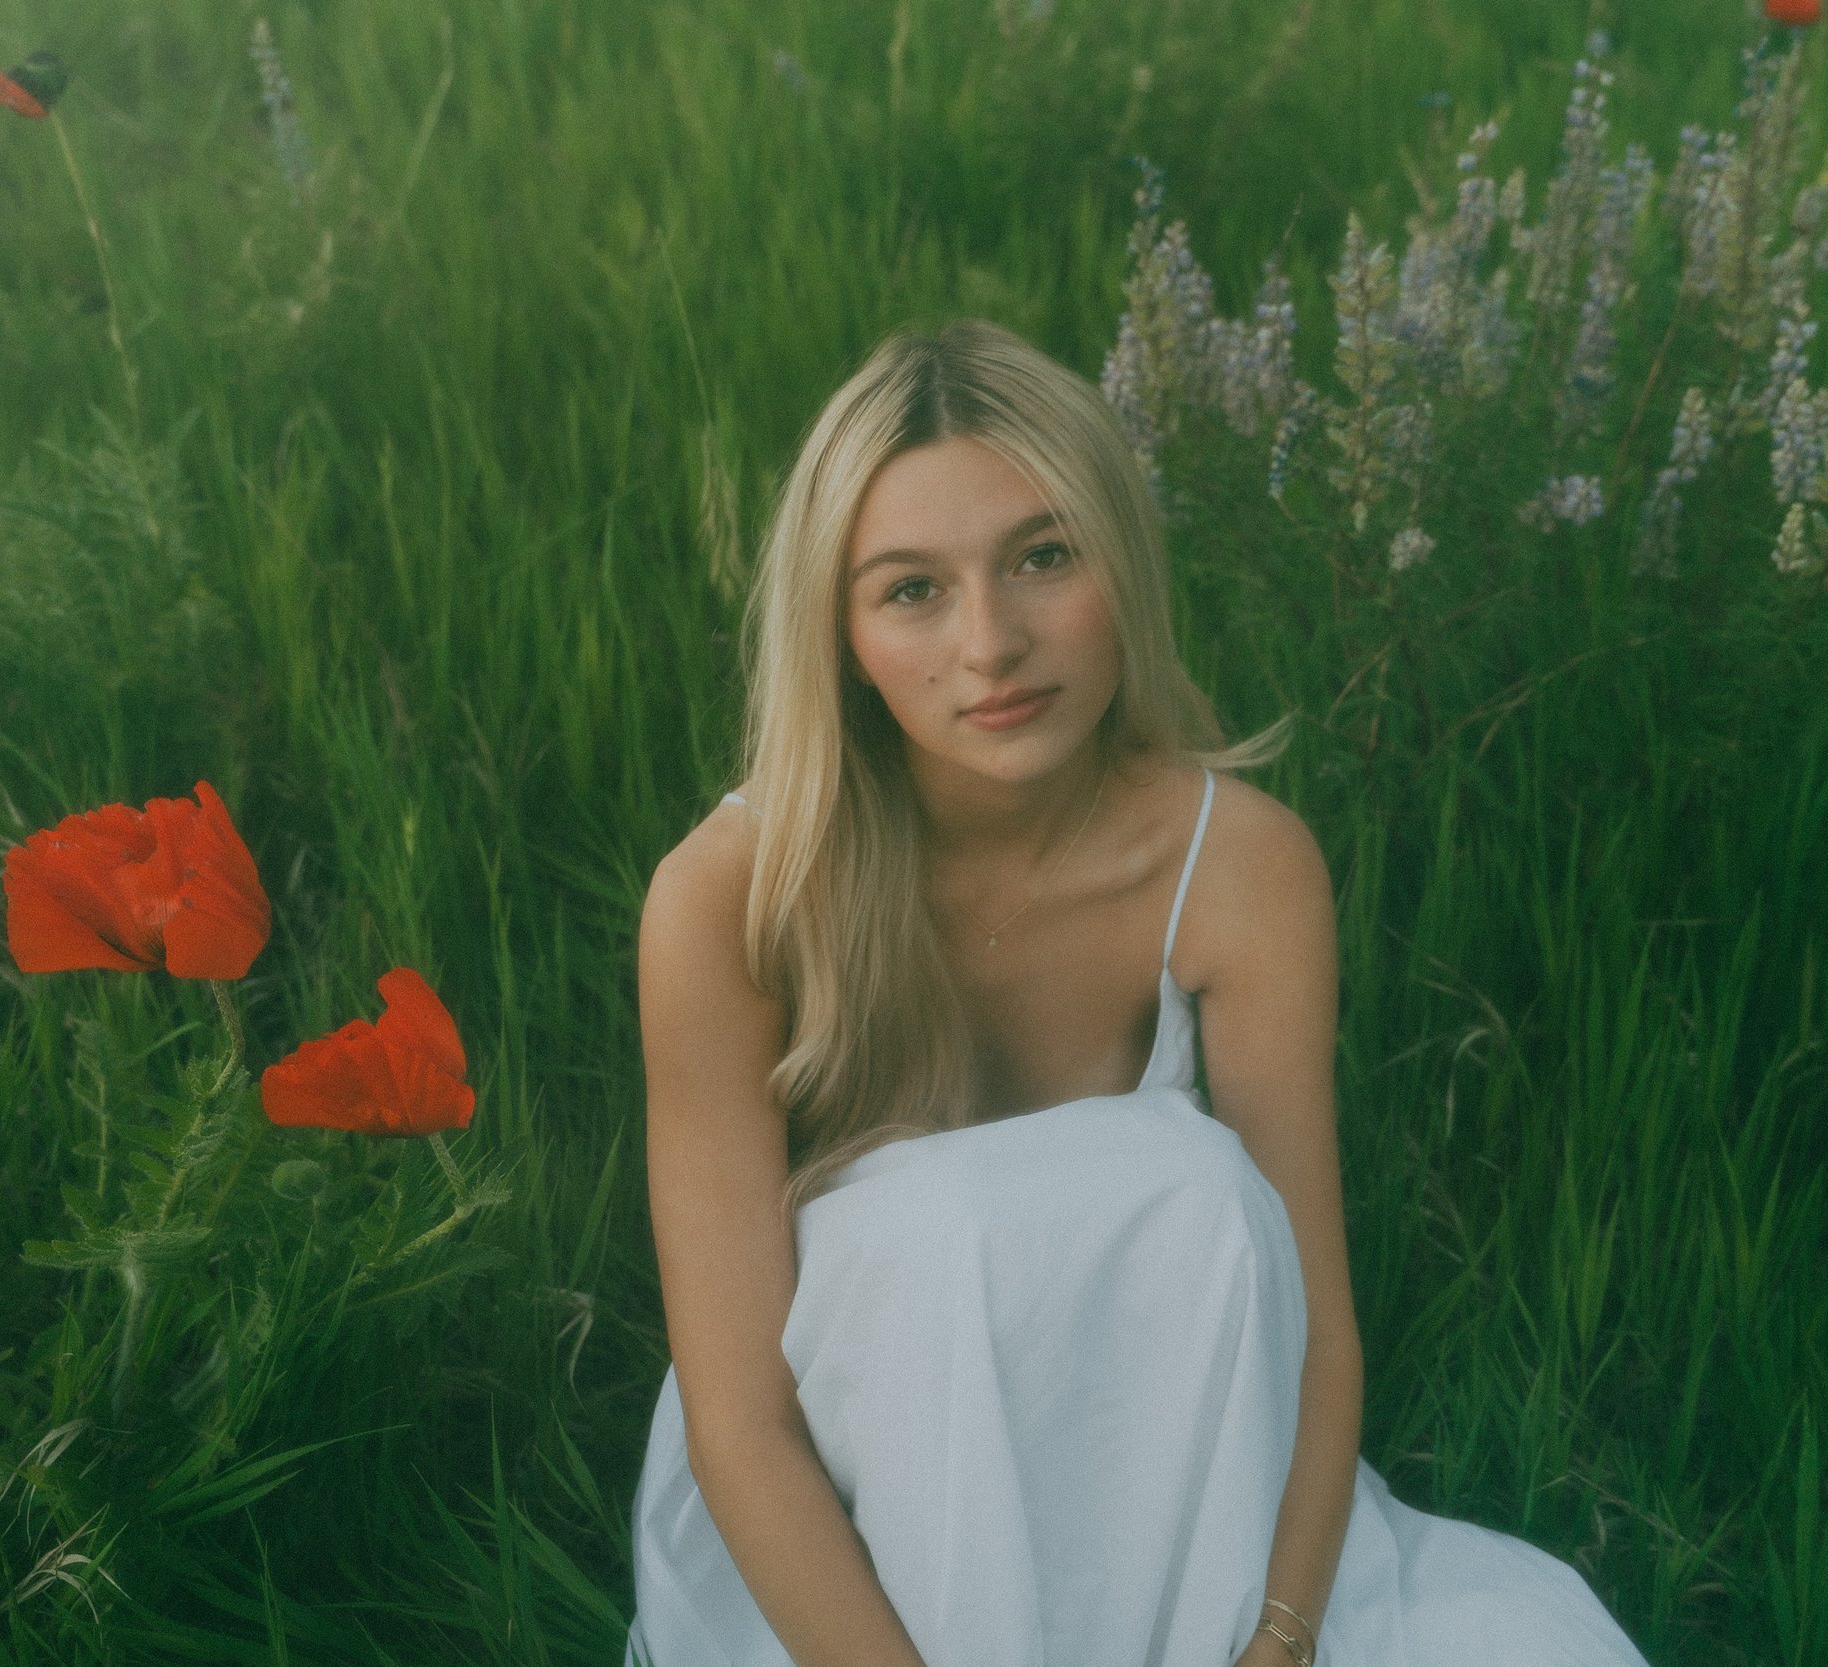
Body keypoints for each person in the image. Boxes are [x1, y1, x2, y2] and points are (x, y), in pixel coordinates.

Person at [626, 318, 1649, 1666]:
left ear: (1126, 564)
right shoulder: (730, 899)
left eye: (1044, 558)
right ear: (842, 632)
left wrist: (1279, 1638)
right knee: (936, 1223)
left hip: (1190, 1491)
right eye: (912, 590)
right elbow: (742, 1419)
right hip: (853, 1544)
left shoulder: (1239, 867)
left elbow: (1318, 1333)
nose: (990, 645)